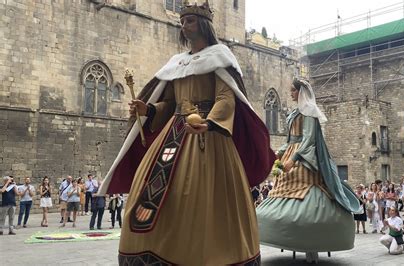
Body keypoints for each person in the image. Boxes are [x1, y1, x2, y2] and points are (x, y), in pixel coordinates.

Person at [98, 2, 274, 265]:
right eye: (183, 21)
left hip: (208, 135)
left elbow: (226, 99)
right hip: (173, 135)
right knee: (148, 193)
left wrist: (210, 123)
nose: (184, 25)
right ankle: (154, 253)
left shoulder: (220, 57)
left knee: (202, 197)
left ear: (203, 25)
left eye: (190, 21)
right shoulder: (176, 64)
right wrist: (148, 109)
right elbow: (169, 104)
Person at [256, 78, 359, 263]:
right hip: (291, 152)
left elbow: (309, 139)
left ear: (301, 92)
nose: (290, 93)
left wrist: (294, 159)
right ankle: (288, 236)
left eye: (293, 91)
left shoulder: (310, 111)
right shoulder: (295, 112)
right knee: (281, 189)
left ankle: (312, 247)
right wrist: (279, 154)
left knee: (310, 192)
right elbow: (290, 139)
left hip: (304, 156)